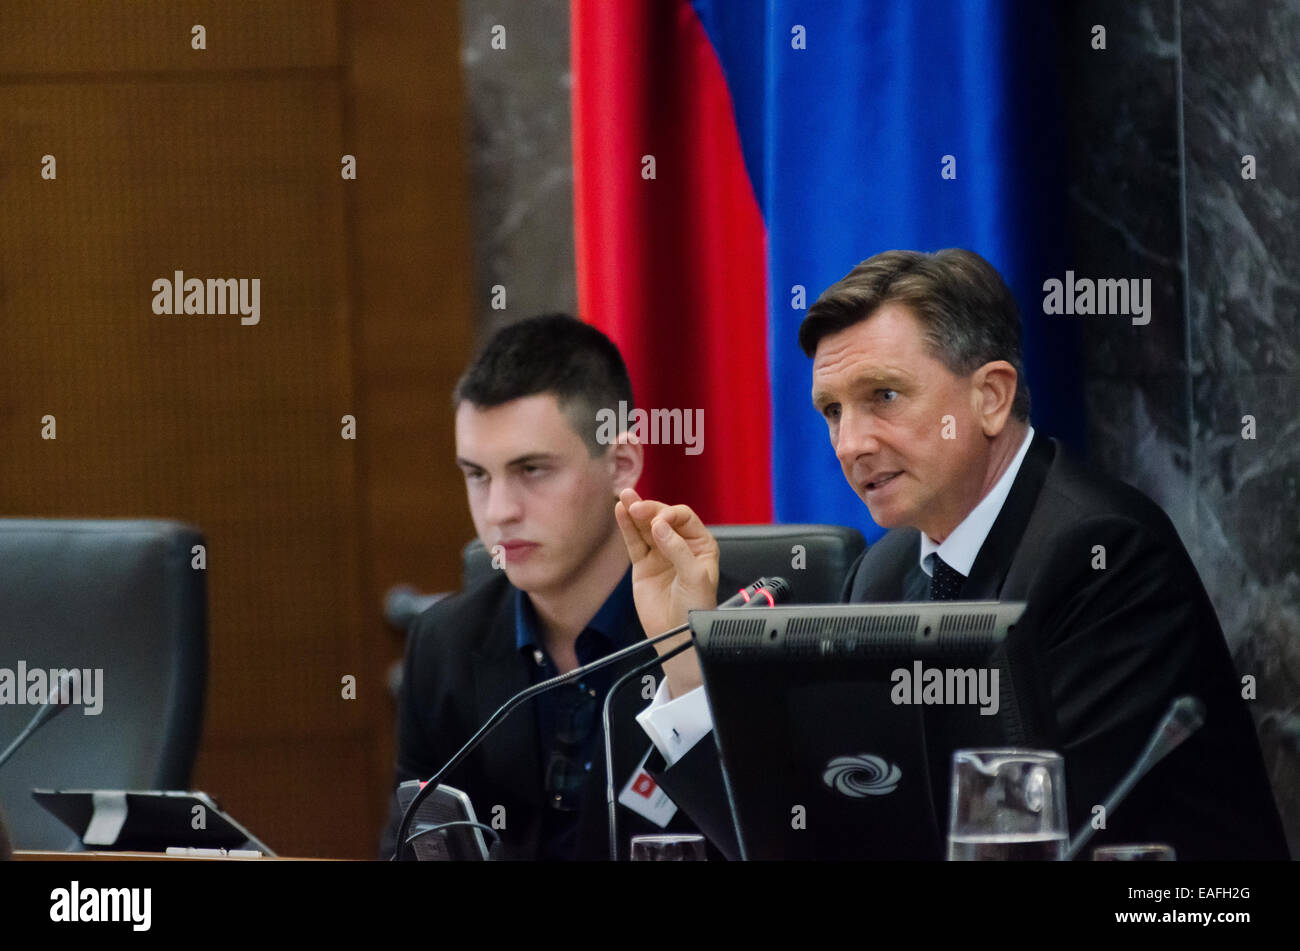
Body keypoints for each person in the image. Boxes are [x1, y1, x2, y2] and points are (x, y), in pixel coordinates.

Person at [617, 249, 1290, 860]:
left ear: (990, 395)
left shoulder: (1101, 555)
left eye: (883, 396)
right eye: (831, 411)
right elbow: (805, 832)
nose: (850, 443)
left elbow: (1047, 840)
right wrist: (686, 654)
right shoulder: (881, 574)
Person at [381, 313, 714, 860]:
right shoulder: (443, 644)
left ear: (622, 463)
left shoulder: (729, 630)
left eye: (532, 470)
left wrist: (689, 679)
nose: (499, 512)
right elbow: (408, 850)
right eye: (477, 475)